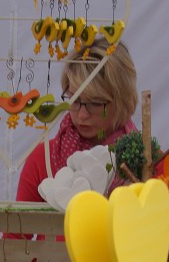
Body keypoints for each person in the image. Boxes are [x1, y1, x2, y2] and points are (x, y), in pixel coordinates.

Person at [16, 36, 139, 202]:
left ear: (121, 100)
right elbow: (15, 227)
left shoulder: (145, 158)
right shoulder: (42, 159)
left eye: (95, 103)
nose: (82, 115)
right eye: (74, 100)